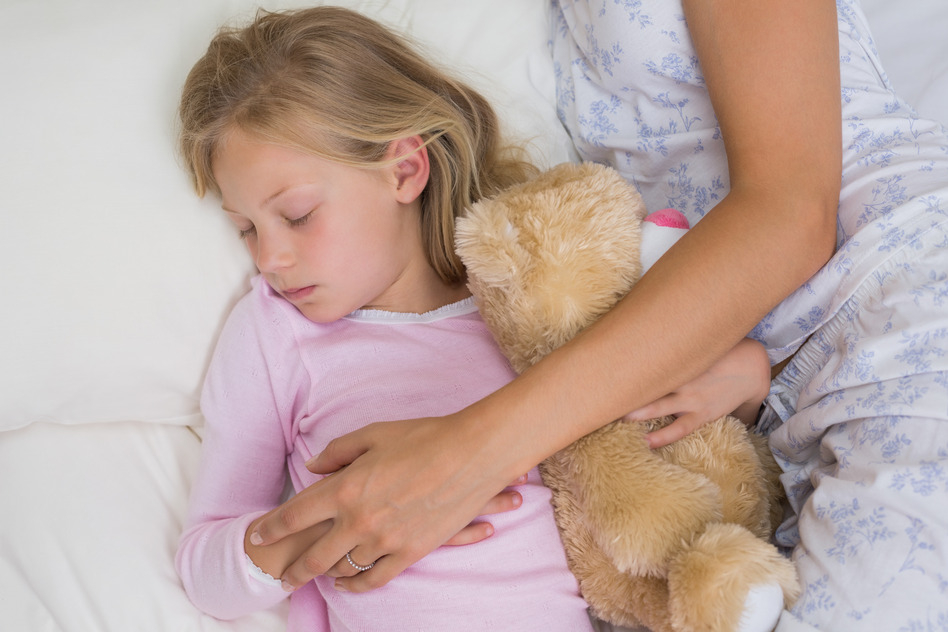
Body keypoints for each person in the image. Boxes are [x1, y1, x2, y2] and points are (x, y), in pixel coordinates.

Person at [244, 1, 948, 630]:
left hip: (900, 299)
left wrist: (464, 457)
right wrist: (766, 373)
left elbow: (790, 212)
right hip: (779, 398)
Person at [173, 6, 600, 630]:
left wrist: (744, 376)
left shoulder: (530, 289)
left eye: (295, 215)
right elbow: (205, 572)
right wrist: (340, 512)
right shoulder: (277, 333)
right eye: (245, 230)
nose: (270, 258)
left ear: (404, 169)